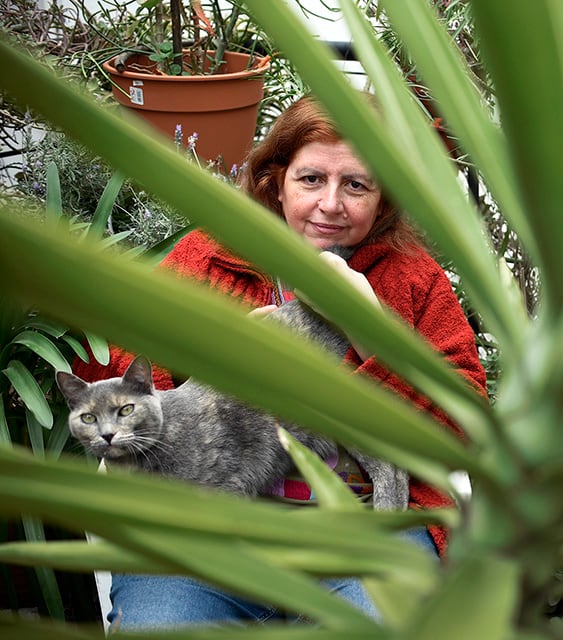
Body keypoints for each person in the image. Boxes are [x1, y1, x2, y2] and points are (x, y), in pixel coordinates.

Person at [71, 94, 487, 628]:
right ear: (277, 180)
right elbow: (121, 368)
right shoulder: (208, 257)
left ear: (384, 201)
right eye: (311, 179)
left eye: (356, 185)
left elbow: (465, 417)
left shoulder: (413, 278)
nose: (331, 204)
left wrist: (368, 325)